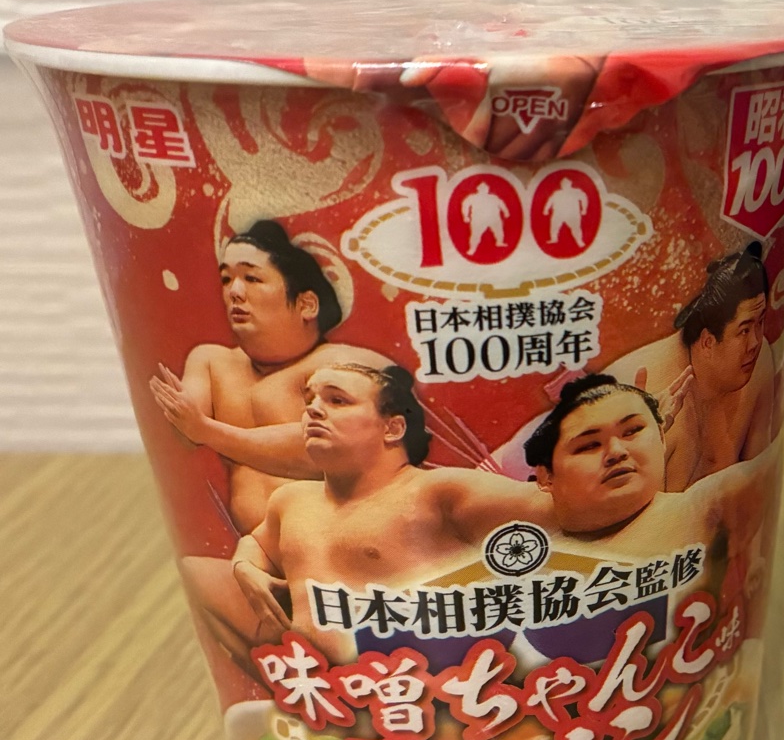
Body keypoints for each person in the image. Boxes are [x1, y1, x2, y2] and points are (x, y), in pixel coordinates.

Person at [226, 364, 555, 663]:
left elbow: (561, 508)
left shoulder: (438, 490)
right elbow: (258, 542)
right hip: (323, 694)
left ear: (393, 428)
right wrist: (246, 567)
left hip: (435, 692)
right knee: (202, 571)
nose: (312, 410)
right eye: (309, 400)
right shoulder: (290, 499)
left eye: (337, 400)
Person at [149, 219, 391, 534]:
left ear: (306, 304)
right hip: (257, 547)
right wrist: (185, 418)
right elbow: (185, 430)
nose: (235, 292)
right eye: (226, 279)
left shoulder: (341, 363)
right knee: (194, 562)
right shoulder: (211, 362)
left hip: (339, 543)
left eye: (252, 278)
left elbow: (324, 445)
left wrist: (207, 429)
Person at [497, 243, 769, 491]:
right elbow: (643, 523)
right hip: (528, 470)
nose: (755, 342)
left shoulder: (758, 358)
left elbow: (757, 481)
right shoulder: (655, 405)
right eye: (744, 330)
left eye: (760, 322)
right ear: (708, 341)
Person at [522, 373, 780, 558]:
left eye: (632, 430)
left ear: (662, 436)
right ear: (545, 476)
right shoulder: (530, 514)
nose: (616, 452)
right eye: (589, 445)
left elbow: (760, 472)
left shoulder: (699, 509)